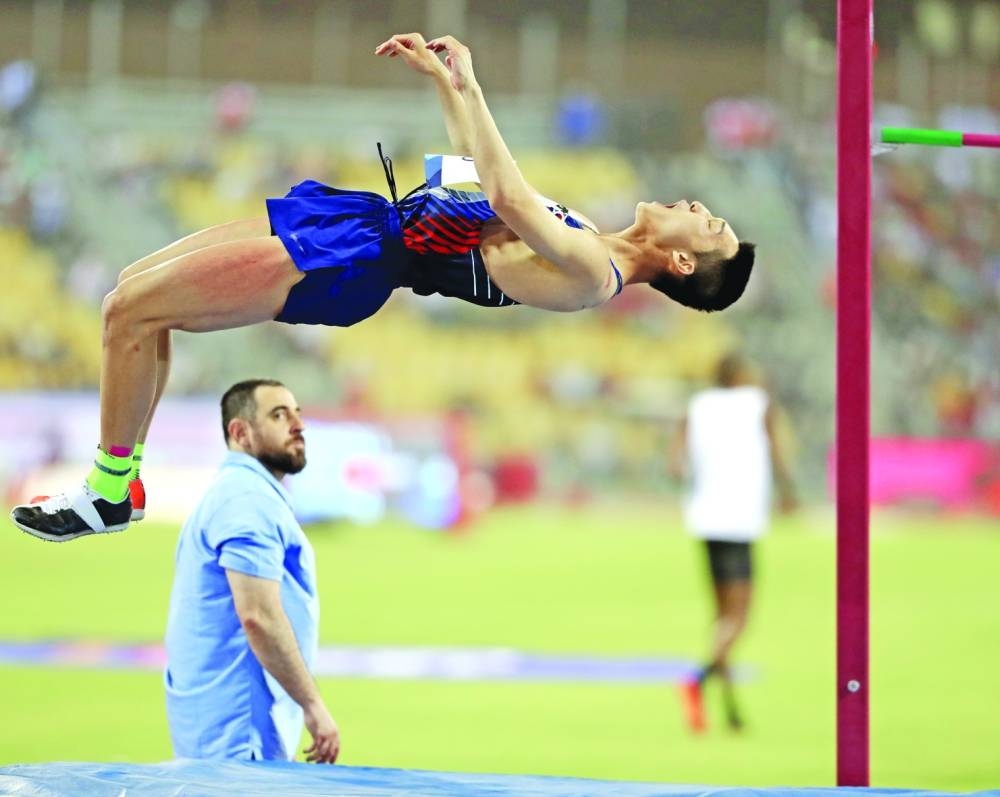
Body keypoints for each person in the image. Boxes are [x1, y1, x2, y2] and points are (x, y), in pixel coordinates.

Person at [10, 32, 755, 541]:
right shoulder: (591, 232)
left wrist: (473, 85)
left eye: (710, 225)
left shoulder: (597, 274)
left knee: (128, 314)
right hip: (362, 220)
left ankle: (111, 490)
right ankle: (120, 487)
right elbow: (476, 170)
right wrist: (449, 84)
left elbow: (508, 194)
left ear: (684, 266)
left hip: (361, 259)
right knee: (135, 292)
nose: (701, 208)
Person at [164, 378, 340, 763]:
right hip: (239, 731)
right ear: (240, 432)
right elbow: (258, 615)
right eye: (279, 415)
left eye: (297, 413)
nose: (298, 425)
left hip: (224, 723)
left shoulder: (239, 492)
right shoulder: (247, 499)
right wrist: (313, 705)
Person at [669, 352, 795, 732]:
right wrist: (789, 492)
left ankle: (730, 711)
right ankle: (699, 678)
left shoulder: (698, 405)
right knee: (738, 619)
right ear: (742, 375)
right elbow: (777, 453)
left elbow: (675, 459)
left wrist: (689, 474)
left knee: (720, 617)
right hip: (740, 519)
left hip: (705, 516)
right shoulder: (758, 403)